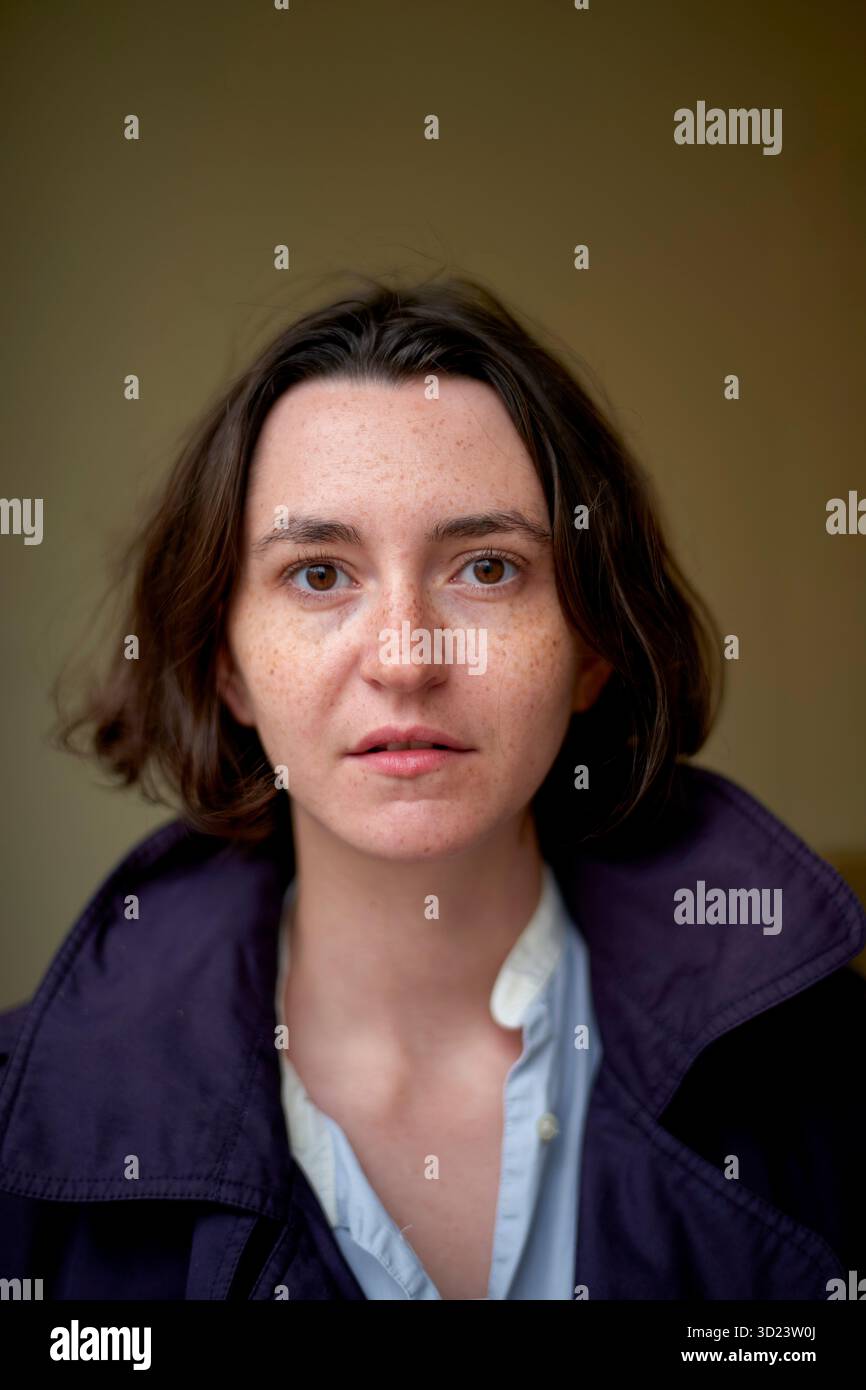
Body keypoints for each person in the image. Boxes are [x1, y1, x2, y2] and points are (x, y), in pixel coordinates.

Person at [0, 275, 863, 1301]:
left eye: (486, 568)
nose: (405, 657)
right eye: (319, 573)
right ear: (222, 661)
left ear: (593, 643)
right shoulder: (25, 1118)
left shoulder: (823, 1070)